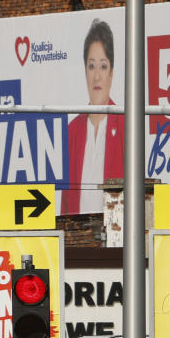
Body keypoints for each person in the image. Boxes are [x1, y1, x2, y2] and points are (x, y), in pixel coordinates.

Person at [61, 18, 125, 214]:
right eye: (91, 66)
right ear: (85, 71)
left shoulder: (126, 125)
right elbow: (65, 203)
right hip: (78, 239)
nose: (97, 76)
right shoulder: (71, 132)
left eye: (103, 66)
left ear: (112, 72)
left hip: (117, 236)